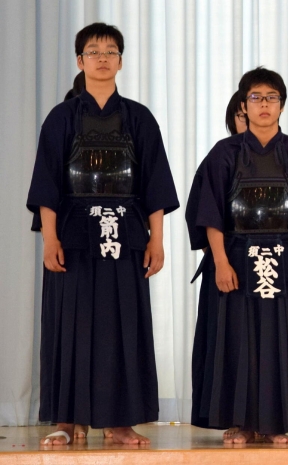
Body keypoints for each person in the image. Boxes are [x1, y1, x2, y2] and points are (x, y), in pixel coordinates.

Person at [29, 23, 179, 446]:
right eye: (93, 51)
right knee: (69, 325)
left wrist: (156, 239)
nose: (102, 58)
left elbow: (154, 184)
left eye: (110, 51)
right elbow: (47, 184)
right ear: (80, 61)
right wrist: (50, 239)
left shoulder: (139, 118)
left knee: (122, 326)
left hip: (125, 233)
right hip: (73, 235)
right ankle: (67, 420)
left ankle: (120, 422)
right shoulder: (61, 118)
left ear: (120, 62)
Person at [188, 67, 288, 444]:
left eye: (271, 98)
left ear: (282, 105)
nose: (264, 104)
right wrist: (220, 262)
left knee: (283, 342)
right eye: (256, 97)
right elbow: (210, 214)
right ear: (244, 105)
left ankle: (275, 423)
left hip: (286, 260)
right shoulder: (224, 153)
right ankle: (241, 421)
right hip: (235, 258)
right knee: (236, 340)